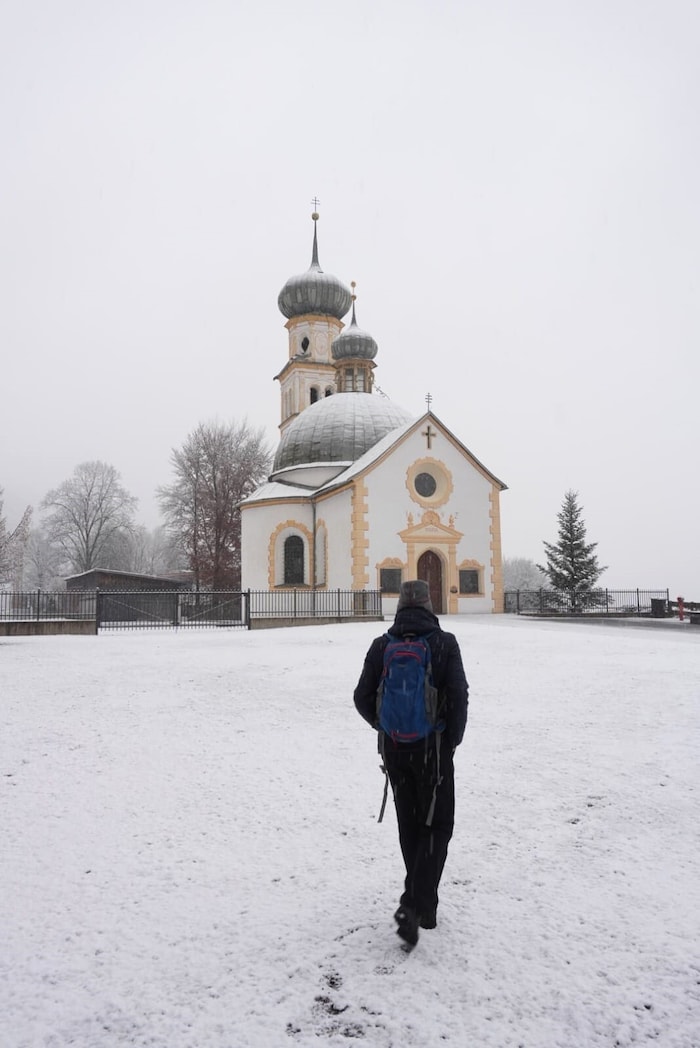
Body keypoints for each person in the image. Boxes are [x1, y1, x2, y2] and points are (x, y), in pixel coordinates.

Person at [353, 579, 469, 948]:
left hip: (394, 750)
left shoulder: (382, 645)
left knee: (410, 823)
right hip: (433, 748)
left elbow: (361, 696)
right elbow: (459, 695)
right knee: (438, 824)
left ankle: (424, 906)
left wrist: (384, 727)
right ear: (429, 604)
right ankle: (416, 903)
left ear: (400, 605)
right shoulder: (444, 643)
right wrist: (451, 741)